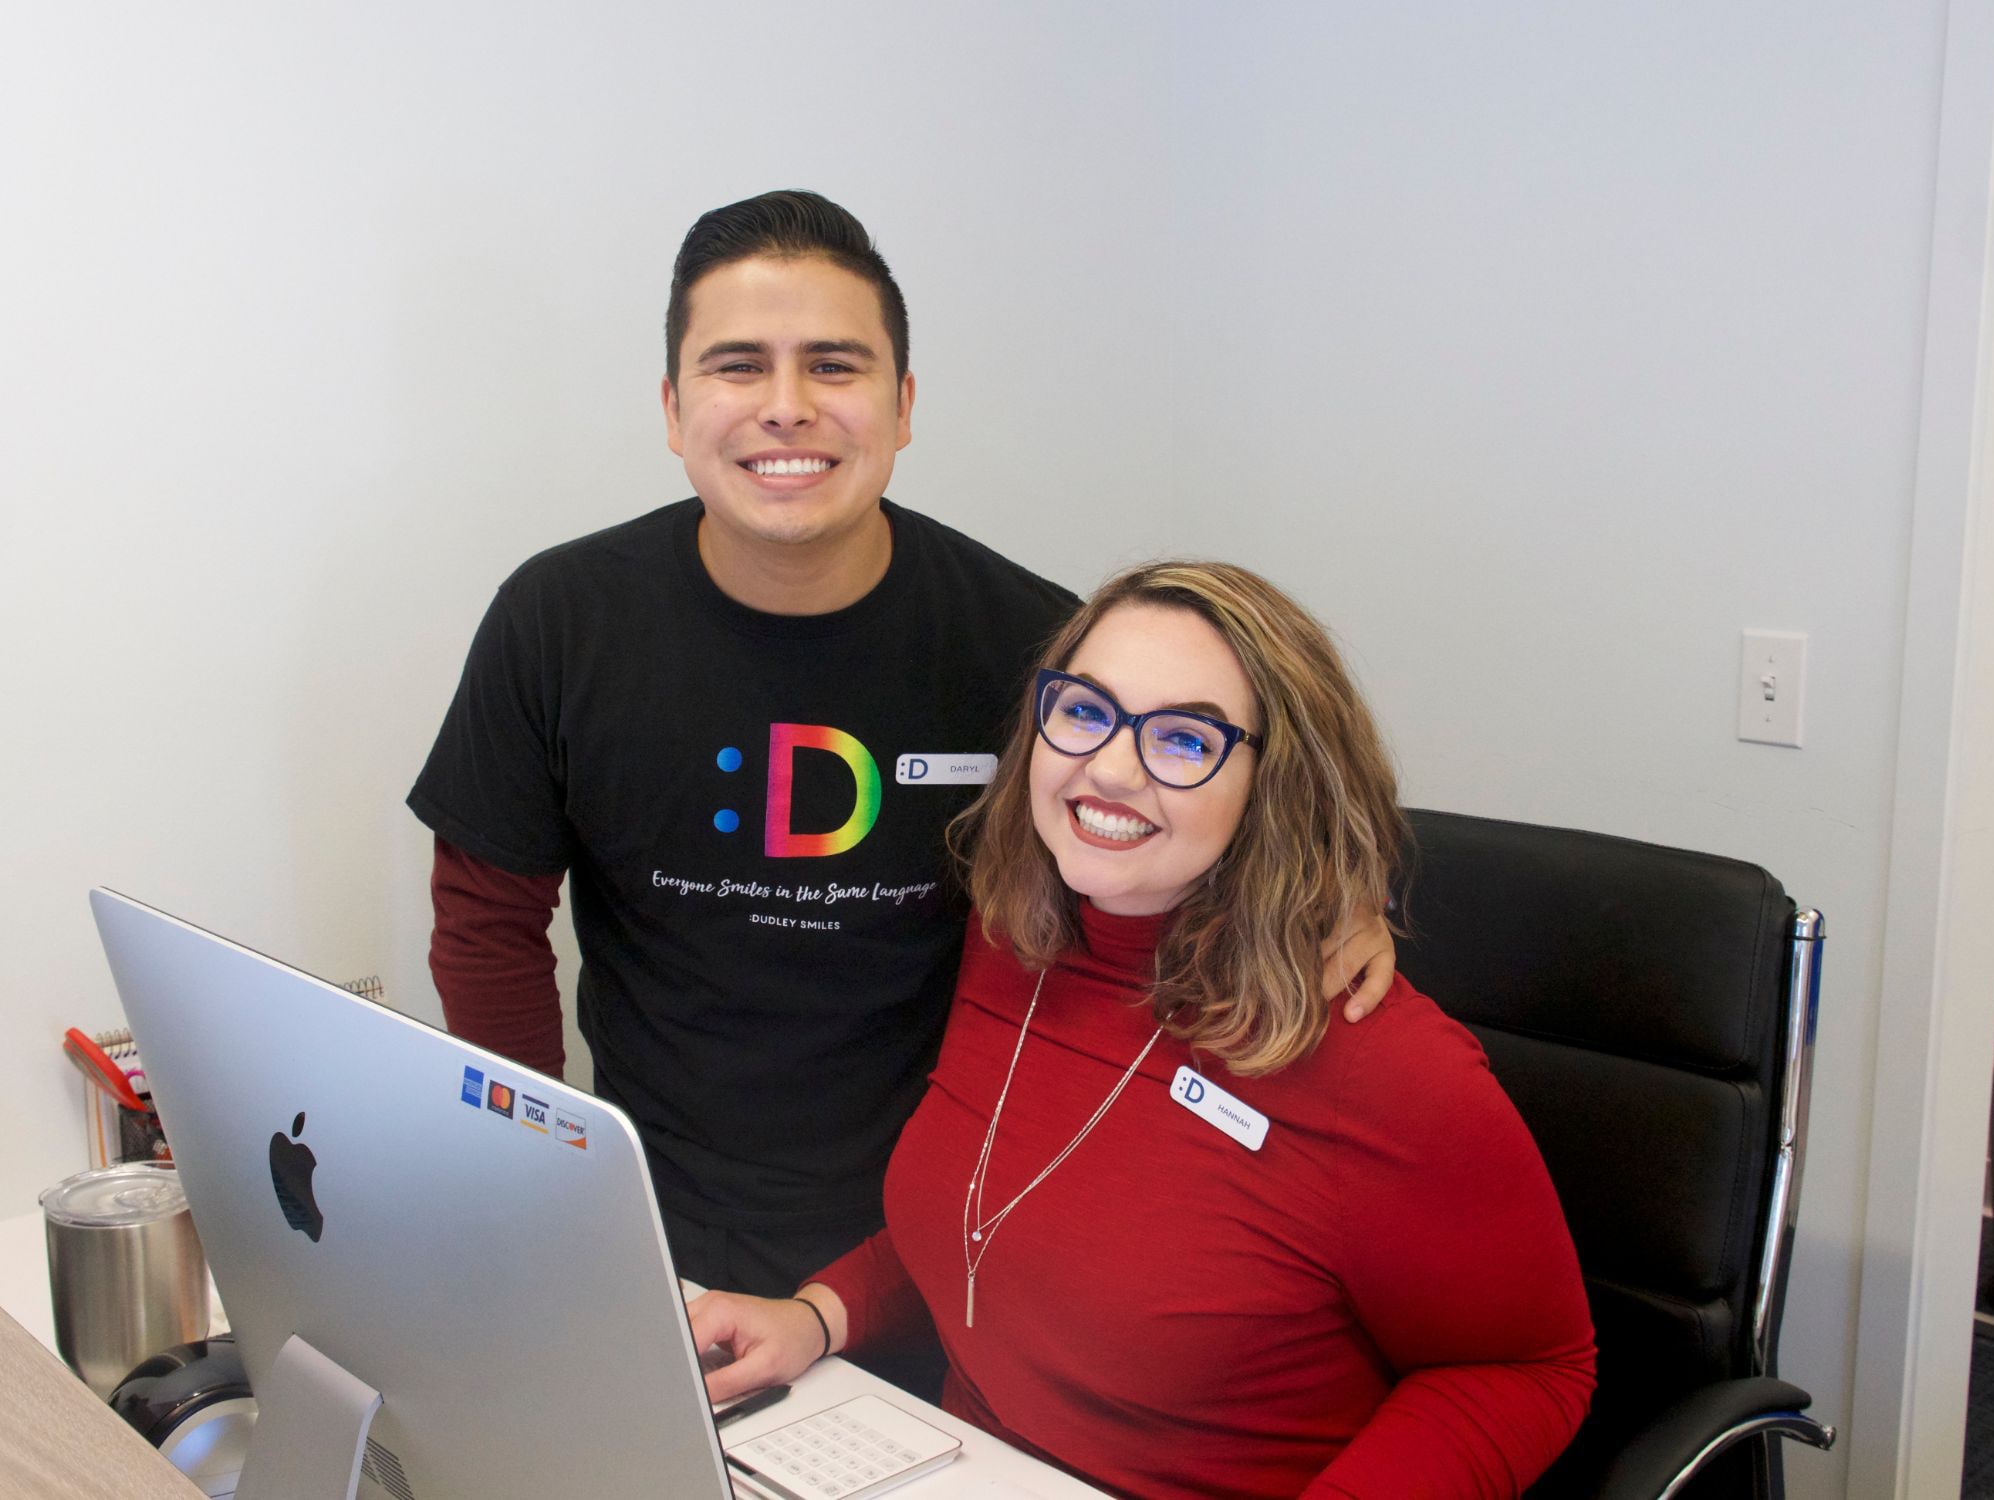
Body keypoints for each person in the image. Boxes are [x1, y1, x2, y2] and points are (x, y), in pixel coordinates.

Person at [408, 191, 1397, 1300]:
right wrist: (538, 1172)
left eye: (833, 366)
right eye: (738, 366)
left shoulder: (1031, 645)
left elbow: (1177, 833)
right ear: (673, 407)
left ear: (902, 403)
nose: (786, 409)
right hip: (654, 1211)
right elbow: (486, 925)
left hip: (956, 1215)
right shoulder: (560, 619)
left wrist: (1323, 901)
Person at [690, 562, 1597, 1499]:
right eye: (1085, 711)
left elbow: (1529, 1371)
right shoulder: (1012, 940)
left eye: (1183, 738)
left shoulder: (1386, 1066)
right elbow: (990, 1227)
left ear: (1275, 781)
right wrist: (818, 1315)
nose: (1111, 768)